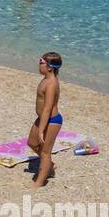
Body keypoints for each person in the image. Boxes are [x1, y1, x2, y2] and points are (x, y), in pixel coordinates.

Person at [29, 52, 64, 189]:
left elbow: (47, 109)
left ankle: (39, 182)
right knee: (31, 142)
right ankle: (49, 165)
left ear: (49, 67)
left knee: (45, 152)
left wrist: (42, 130)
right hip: (43, 118)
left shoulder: (51, 84)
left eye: (41, 62)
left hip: (52, 120)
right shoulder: (45, 79)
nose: (39, 65)